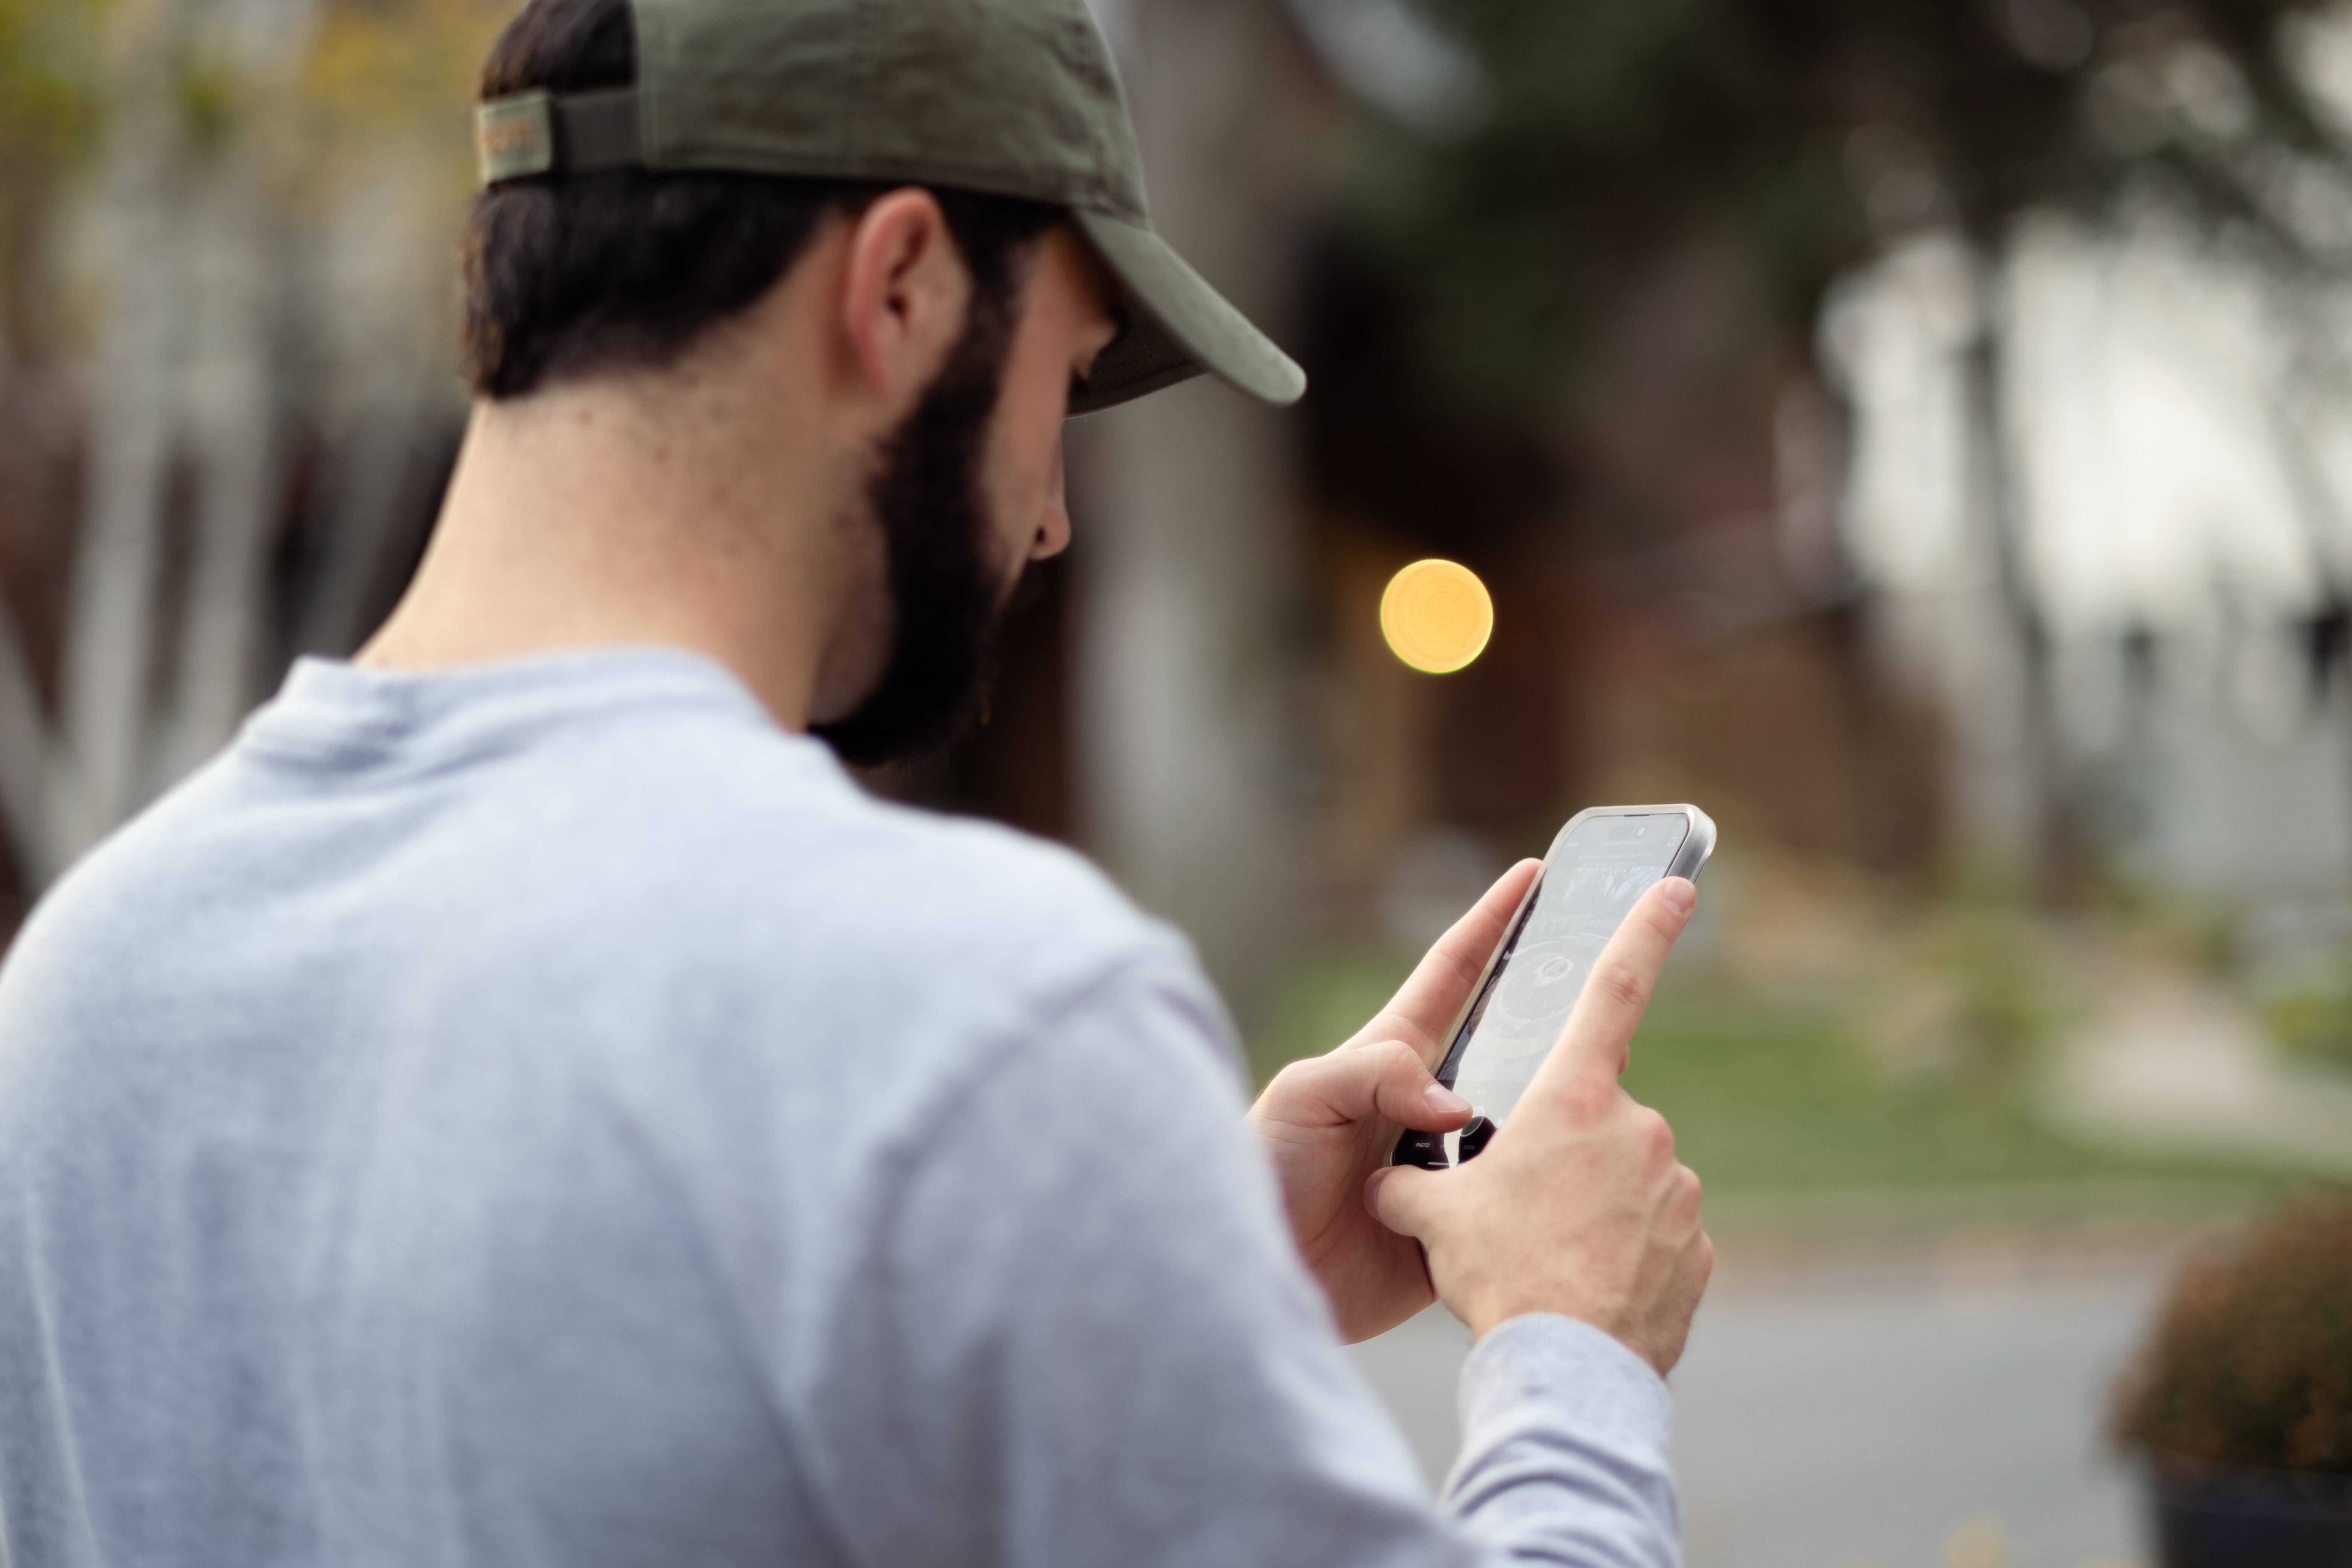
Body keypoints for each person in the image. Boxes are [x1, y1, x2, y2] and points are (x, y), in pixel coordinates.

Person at [0, 0, 1712, 1561]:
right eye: (1065, 374)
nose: (1049, 514)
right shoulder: (964, 1011)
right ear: (896, 287)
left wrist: (1140, 1263)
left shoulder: (89, 979)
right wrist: (1572, 1343)